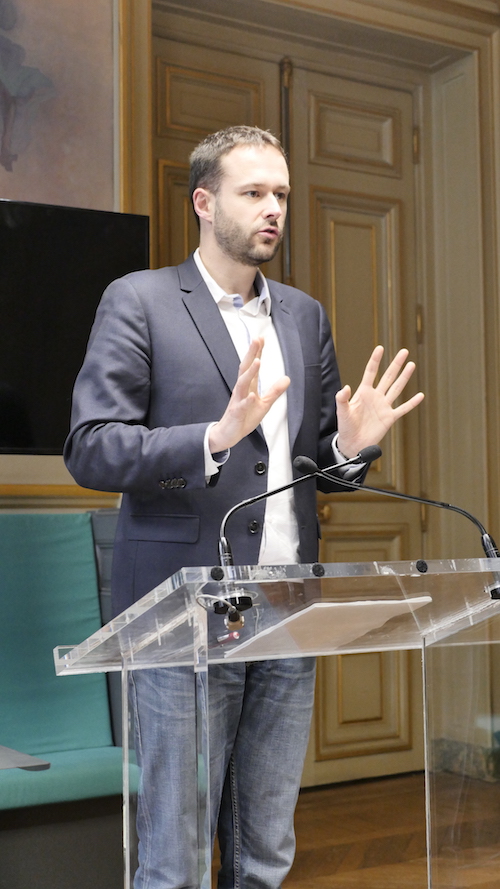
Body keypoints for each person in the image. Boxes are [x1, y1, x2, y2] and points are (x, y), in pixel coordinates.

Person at [64, 125, 424, 889]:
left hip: (289, 611)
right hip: (181, 618)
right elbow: (91, 448)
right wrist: (211, 438)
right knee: (176, 860)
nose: (273, 209)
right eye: (253, 192)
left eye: (281, 195)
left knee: (264, 854)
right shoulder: (140, 301)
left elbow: (311, 466)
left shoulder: (304, 316)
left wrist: (349, 446)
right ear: (204, 202)